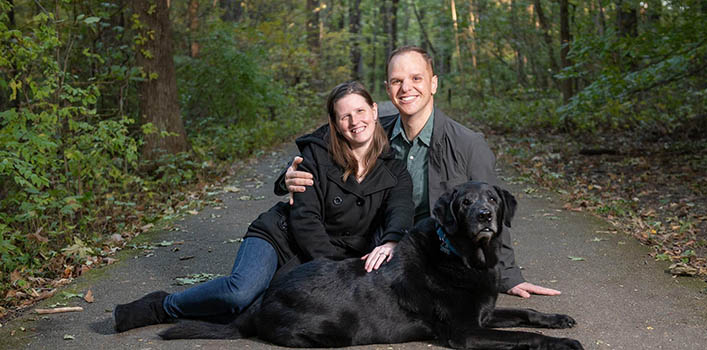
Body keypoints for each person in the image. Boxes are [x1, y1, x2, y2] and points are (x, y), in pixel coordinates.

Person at [113, 82, 414, 332]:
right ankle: (164, 305)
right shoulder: (316, 156)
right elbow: (305, 220)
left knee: (258, 312)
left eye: (360, 110)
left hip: (321, 258)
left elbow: (400, 208)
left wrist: (390, 241)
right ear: (335, 123)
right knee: (239, 293)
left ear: (374, 112)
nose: (354, 121)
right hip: (281, 237)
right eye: (344, 116)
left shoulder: (395, 169)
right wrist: (337, 271)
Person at [280, 46, 559, 298]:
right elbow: (320, 143)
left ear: (433, 83)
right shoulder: (374, 133)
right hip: (371, 251)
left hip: (436, 257)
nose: (406, 88)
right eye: (397, 81)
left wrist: (508, 276)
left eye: (416, 78)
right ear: (388, 90)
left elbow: (494, 213)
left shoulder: (468, 144)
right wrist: (286, 178)